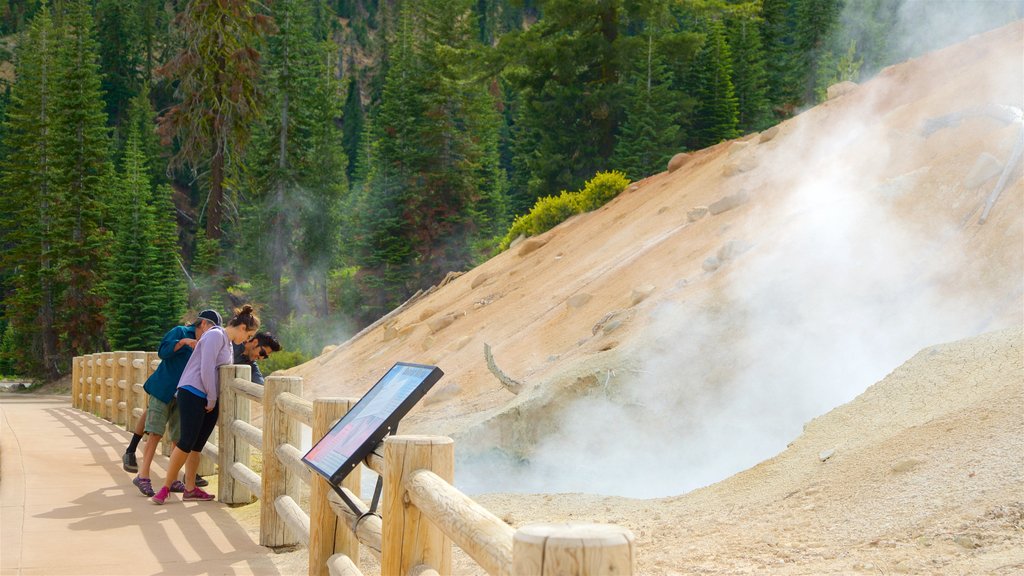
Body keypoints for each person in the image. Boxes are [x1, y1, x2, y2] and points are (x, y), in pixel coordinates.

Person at [152, 304, 260, 504]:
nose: (247, 341)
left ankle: (190, 488)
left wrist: (212, 398)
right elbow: (206, 368)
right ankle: (165, 487)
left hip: (207, 396)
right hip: (194, 392)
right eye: (249, 335)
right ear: (242, 328)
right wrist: (211, 397)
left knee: (197, 445)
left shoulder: (227, 342)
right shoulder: (215, 335)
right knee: (186, 442)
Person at [127, 309, 222, 497]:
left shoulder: (208, 343)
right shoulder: (180, 331)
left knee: (178, 438)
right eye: (211, 328)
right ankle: (143, 476)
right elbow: (162, 351)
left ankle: (175, 479)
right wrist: (184, 343)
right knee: (155, 433)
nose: (212, 334)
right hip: (163, 390)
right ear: (202, 324)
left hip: (184, 396)